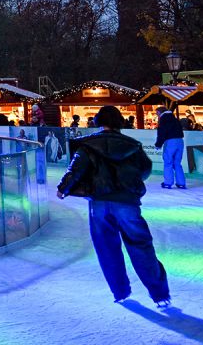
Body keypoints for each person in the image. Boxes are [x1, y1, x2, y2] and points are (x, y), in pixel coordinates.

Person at [57, 105, 170, 307]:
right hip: (127, 202)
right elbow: (145, 169)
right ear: (119, 122)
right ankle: (160, 294)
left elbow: (75, 169)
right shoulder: (133, 145)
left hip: (99, 203)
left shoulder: (87, 145)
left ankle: (120, 292)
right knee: (141, 246)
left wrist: (63, 189)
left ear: (99, 122)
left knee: (106, 248)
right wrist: (129, 181)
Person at [152, 106, 185, 190]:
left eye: (157, 113)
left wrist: (158, 144)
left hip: (170, 141)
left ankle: (168, 182)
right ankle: (181, 183)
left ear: (159, 112)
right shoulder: (175, 119)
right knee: (177, 163)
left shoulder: (163, 119)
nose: (157, 115)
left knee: (168, 162)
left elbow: (162, 133)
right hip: (180, 141)